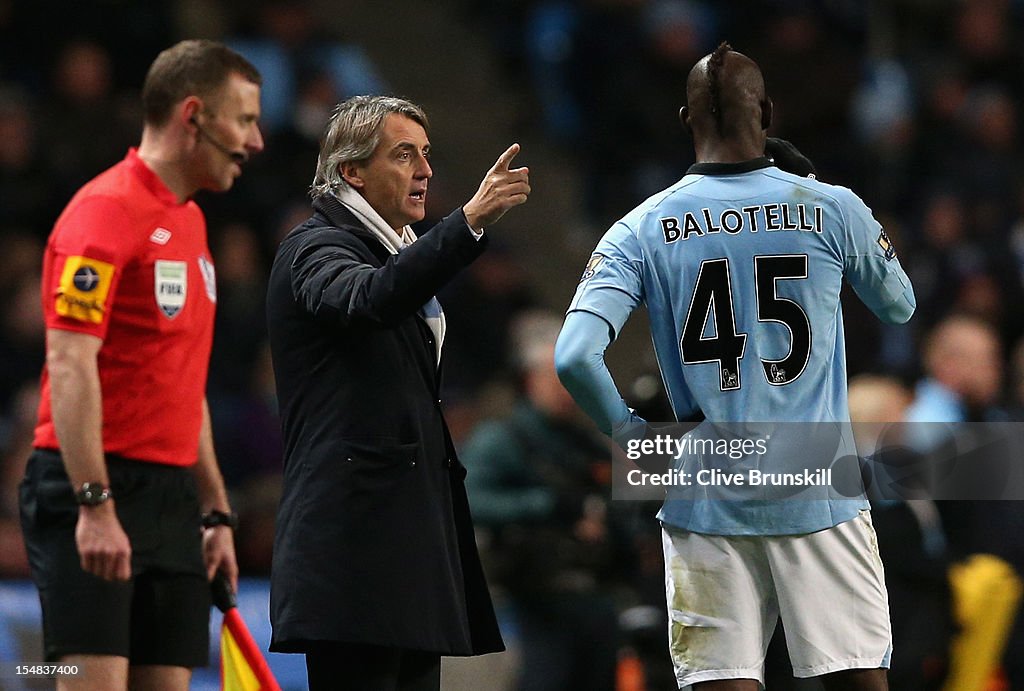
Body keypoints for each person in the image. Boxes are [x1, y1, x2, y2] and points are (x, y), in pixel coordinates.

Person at [554, 42, 915, 690]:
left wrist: (632, 437)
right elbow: (899, 305)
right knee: (856, 681)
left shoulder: (638, 227)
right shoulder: (831, 207)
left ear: (686, 120)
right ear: (768, 113)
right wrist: (826, 202)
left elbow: (574, 355)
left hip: (705, 491)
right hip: (817, 483)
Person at [18, 40, 263, 691]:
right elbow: (69, 364)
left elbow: (185, 383)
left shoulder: (192, 224)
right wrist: (93, 503)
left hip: (173, 497)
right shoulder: (102, 213)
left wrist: (214, 511)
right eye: (243, 119)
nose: (255, 140)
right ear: (194, 116)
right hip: (93, 489)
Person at [266, 95, 530, 691]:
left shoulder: (395, 249)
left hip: (404, 552)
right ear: (350, 172)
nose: (425, 170)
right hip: (354, 556)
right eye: (403, 154)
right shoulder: (314, 246)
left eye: (426, 154)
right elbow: (369, 299)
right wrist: (467, 223)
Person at [460, 311, 623, 691]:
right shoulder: (503, 440)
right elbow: (468, 500)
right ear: (531, 379)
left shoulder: (585, 441)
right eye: (558, 378)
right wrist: (545, 505)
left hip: (597, 597)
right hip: (534, 603)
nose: (567, 390)